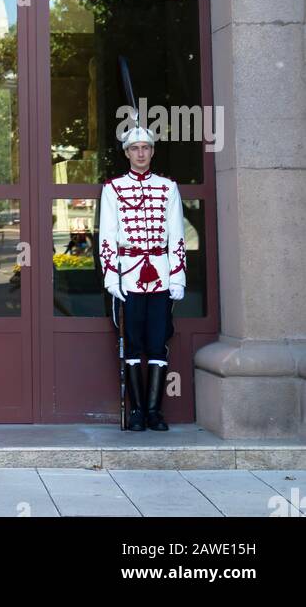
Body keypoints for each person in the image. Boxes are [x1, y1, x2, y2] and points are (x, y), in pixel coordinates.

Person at [98, 123, 186, 432]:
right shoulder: (113, 188)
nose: (140, 153)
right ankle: (136, 412)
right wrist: (112, 277)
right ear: (127, 153)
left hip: (161, 274)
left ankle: (154, 412)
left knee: (158, 343)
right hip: (129, 275)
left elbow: (176, 234)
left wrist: (178, 276)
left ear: (152, 152)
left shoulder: (167, 187)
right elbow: (107, 236)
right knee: (132, 343)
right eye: (135, 149)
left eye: (145, 148)